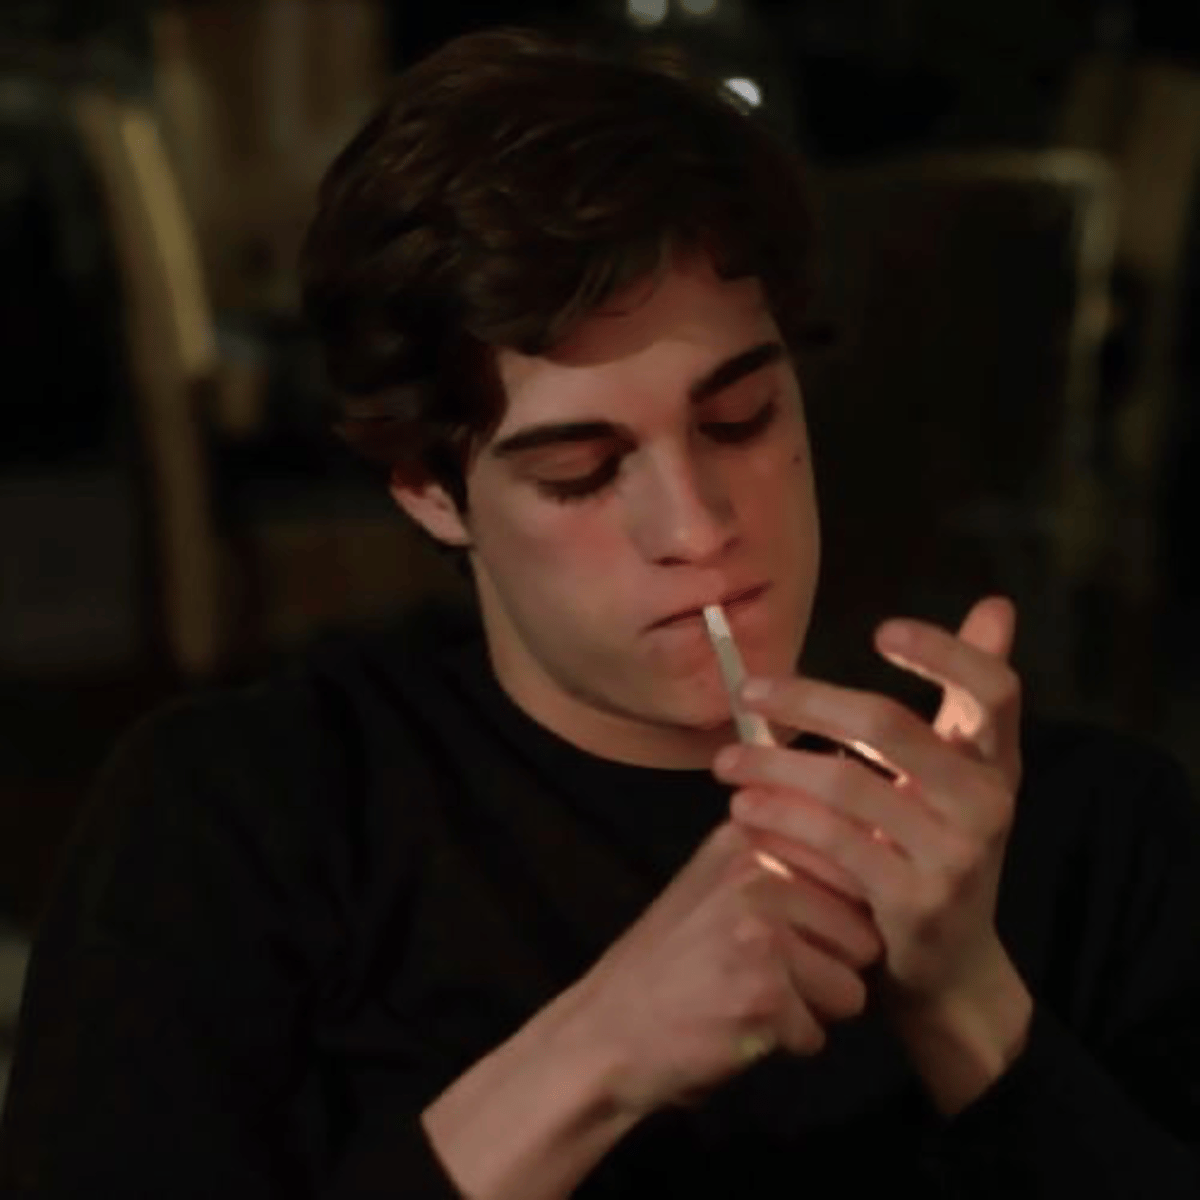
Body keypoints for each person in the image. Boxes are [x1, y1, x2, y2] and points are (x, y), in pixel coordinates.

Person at [2, 24, 1200, 1200]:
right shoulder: (246, 822)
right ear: (431, 493)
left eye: (740, 419)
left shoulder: (1087, 827)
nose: (698, 526)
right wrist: (596, 1055)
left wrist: (963, 1000)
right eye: (580, 471)